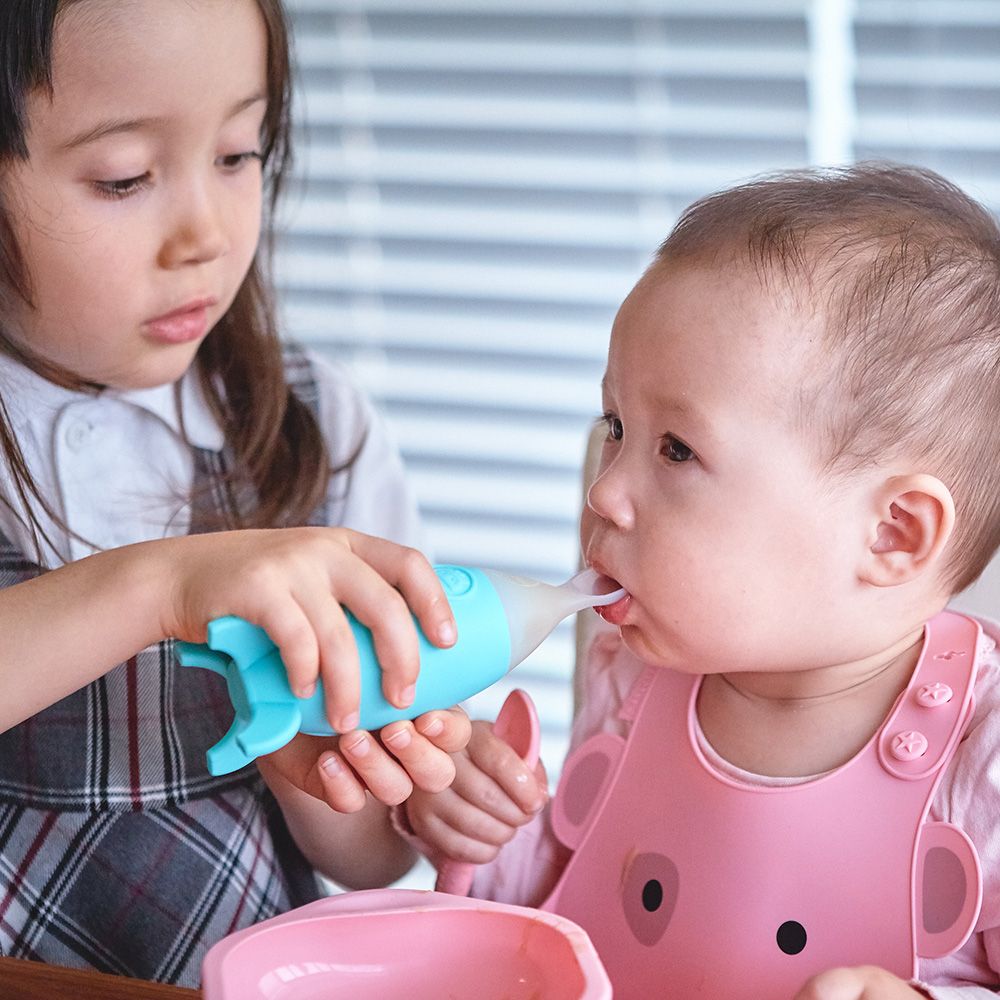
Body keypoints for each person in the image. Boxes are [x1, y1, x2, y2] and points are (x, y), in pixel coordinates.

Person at [401, 163, 1000, 999]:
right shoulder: (636, 663)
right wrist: (476, 822)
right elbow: (568, 908)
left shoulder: (987, 754)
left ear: (892, 534)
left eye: (676, 449)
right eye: (616, 426)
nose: (603, 492)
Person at [0, 0, 470, 987]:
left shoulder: (313, 426)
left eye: (238, 153)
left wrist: (361, 782)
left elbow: (371, 858)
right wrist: (164, 586)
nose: (205, 236)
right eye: (124, 176)